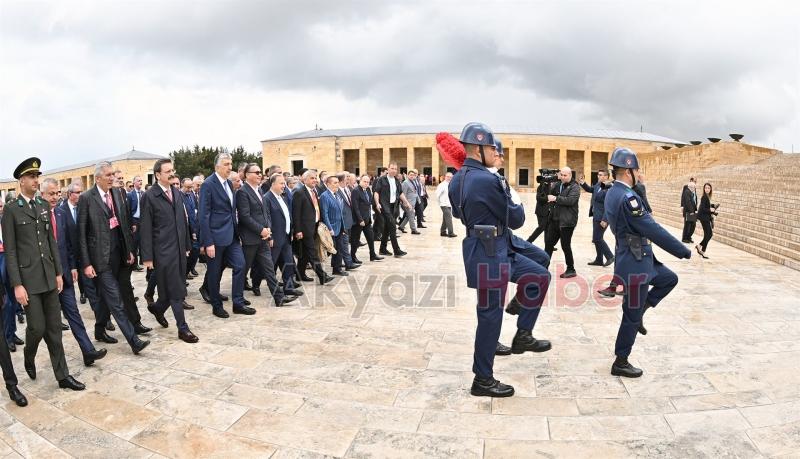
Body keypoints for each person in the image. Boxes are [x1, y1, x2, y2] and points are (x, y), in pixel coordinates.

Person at [449, 123, 550, 398]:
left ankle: (522, 334)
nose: (496, 152)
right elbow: (517, 218)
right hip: (490, 253)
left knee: (540, 275)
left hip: (485, 246)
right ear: (480, 149)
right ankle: (483, 379)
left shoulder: (457, 178)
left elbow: (459, 215)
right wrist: (512, 202)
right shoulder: (488, 180)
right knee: (490, 316)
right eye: (492, 148)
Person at [604, 147, 691, 377]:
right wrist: (682, 250)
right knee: (630, 315)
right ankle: (621, 361)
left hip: (639, 258)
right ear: (629, 171)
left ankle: (644, 308)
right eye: (637, 170)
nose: (639, 174)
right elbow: (653, 229)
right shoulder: (628, 198)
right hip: (635, 263)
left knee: (669, 279)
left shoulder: (613, 192)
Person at [3, 157, 85, 391]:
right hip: (28, 281)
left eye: (37, 176)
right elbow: (10, 251)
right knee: (36, 328)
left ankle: (63, 376)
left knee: (54, 330)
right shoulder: (10, 210)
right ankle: (29, 355)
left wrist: (58, 273)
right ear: (21, 181)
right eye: (31, 177)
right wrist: (17, 285)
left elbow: (51, 241)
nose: (36, 180)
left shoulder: (42, 206)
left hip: (49, 277)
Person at [79, 161, 151, 354]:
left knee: (105, 298)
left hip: (119, 254)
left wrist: (129, 251)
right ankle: (133, 341)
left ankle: (99, 329)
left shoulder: (118, 193)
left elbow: (123, 224)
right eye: (108, 175)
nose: (112, 178)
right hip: (100, 259)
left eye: (113, 174)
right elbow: (81, 234)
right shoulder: (87, 198)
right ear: (98, 178)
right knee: (115, 299)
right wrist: (86, 263)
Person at [41, 178, 107, 366]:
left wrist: (71, 267)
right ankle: (31, 356)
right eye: (51, 194)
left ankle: (88, 351)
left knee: (74, 315)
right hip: (46, 280)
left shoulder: (61, 214)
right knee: (44, 327)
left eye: (57, 193)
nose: (54, 197)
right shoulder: (36, 217)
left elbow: (68, 245)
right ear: (42, 194)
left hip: (65, 276)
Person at [139, 159, 198, 343]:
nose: (172, 174)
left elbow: (182, 221)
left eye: (173, 170)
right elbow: (145, 228)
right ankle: (183, 328)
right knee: (176, 290)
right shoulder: (149, 196)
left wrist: (187, 245)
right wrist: (147, 257)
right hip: (163, 251)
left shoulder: (177, 193)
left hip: (180, 249)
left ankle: (157, 308)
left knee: (168, 291)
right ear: (158, 175)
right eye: (168, 171)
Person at [198, 153, 254, 318]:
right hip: (215, 238)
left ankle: (238, 302)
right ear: (217, 167)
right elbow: (203, 215)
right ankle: (217, 305)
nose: (230, 167)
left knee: (240, 265)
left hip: (232, 236)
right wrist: (207, 242)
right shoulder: (208, 184)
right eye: (226, 164)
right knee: (214, 274)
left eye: (231, 164)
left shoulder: (229, 184)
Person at [236, 163, 296, 307]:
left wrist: (268, 230)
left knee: (269, 269)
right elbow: (244, 216)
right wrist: (260, 230)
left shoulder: (259, 191)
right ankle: (238, 298)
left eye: (259, 172)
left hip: (263, 237)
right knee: (243, 269)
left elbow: (265, 213)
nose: (259, 175)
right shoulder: (243, 192)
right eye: (256, 172)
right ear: (246, 174)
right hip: (250, 239)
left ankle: (279, 297)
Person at [292, 169, 333, 285]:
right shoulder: (299, 192)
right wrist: (298, 230)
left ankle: (300, 274)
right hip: (304, 229)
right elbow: (296, 213)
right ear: (304, 180)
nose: (315, 180)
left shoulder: (314, 191)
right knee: (312, 252)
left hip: (314, 226)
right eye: (312, 178)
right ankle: (322, 276)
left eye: (315, 178)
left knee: (305, 253)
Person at [265, 173, 303, 296]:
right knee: (270, 265)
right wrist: (269, 236)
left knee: (288, 263)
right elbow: (267, 218)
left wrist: (291, 231)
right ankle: (255, 283)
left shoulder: (283, 197)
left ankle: (289, 287)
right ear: (273, 184)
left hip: (286, 237)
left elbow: (288, 216)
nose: (284, 186)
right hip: (275, 238)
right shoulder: (267, 198)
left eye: (285, 183)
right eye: (281, 183)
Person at [544, 167, 580, 278]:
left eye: (566, 175)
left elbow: (570, 201)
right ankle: (543, 267)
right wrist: (546, 184)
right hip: (555, 219)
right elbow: (549, 194)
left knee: (565, 245)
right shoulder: (557, 184)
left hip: (567, 222)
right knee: (549, 244)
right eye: (562, 175)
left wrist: (555, 198)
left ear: (570, 175)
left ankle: (571, 269)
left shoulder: (575, 187)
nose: (563, 177)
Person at [0, 199, 24, 352]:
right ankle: (7, 337)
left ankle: (12, 333)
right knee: (6, 303)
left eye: (0, 205)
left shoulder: (6, 219)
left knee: (13, 301)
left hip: (9, 261)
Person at [373, 162, 410, 257]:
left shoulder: (397, 180)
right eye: (392, 168)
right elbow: (376, 192)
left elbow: (400, 193)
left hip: (394, 207)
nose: (394, 170)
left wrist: (406, 202)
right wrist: (377, 203)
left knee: (387, 228)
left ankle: (383, 249)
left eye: (395, 169)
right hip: (385, 206)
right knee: (393, 227)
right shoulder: (381, 180)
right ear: (388, 169)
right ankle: (396, 250)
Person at [580, 169, 614, 267]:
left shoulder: (609, 188)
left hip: (602, 218)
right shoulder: (598, 185)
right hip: (596, 215)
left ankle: (610, 256)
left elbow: (609, 205)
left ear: (606, 177)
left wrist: (605, 219)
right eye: (598, 175)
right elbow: (590, 189)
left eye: (600, 175)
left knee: (597, 238)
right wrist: (583, 183)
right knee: (597, 238)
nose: (598, 176)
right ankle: (599, 259)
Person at [350, 174, 382, 262]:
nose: (366, 183)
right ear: (360, 181)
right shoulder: (356, 191)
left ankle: (373, 255)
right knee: (355, 240)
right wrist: (360, 219)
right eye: (364, 181)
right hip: (359, 221)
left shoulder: (368, 189)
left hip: (367, 219)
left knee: (371, 238)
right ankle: (352, 257)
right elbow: (355, 207)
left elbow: (369, 203)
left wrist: (377, 205)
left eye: (368, 182)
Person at [127, 176, 145, 271]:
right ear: (134, 183)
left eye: (141, 180)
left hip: (142, 221)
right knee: (135, 243)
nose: (140, 182)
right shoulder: (130, 195)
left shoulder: (143, 194)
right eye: (138, 180)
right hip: (135, 221)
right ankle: (134, 265)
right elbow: (129, 210)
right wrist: (132, 223)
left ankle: (143, 260)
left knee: (142, 242)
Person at [696, 183, 717, 259]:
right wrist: (710, 209)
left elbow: (705, 206)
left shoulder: (707, 197)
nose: (707, 189)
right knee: (709, 234)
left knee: (707, 234)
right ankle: (700, 247)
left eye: (708, 188)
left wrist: (711, 206)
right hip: (704, 218)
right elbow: (702, 209)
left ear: (710, 189)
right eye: (706, 188)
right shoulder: (704, 197)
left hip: (705, 218)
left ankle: (702, 251)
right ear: (704, 189)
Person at [398, 169, 420, 235]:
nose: (412, 176)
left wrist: (418, 200)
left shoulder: (413, 182)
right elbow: (403, 194)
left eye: (413, 175)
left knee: (408, 216)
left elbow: (414, 192)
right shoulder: (405, 183)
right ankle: (413, 229)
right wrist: (405, 203)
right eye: (410, 175)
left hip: (413, 202)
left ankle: (401, 227)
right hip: (407, 203)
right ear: (407, 175)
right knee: (411, 215)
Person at [435, 172, 457, 237]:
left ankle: (443, 232)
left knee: (445, 218)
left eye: (451, 177)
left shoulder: (451, 184)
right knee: (449, 218)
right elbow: (437, 194)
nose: (449, 178)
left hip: (449, 204)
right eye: (448, 176)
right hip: (443, 204)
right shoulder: (442, 185)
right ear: (445, 177)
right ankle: (451, 233)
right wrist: (440, 203)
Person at [681, 179, 698, 243]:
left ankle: (688, 237)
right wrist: (691, 212)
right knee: (687, 225)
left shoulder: (691, 192)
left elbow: (694, 201)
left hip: (692, 211)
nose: (695, 188)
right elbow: (688, 202)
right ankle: (684, 238)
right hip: (689, 212)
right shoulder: (687, 191)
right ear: (691, 187)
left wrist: (695, 210)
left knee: (693, 225)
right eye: (694, 187)